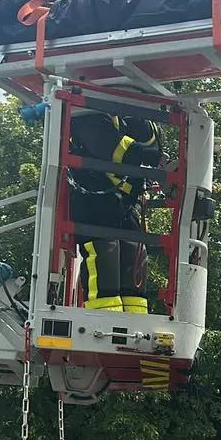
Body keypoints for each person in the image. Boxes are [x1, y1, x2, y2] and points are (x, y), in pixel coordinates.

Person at [67, 111, 164, 314]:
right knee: (104, 253)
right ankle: (103, 316)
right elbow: (111, 147)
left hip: (123, 202)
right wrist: (154, 159)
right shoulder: (85, 114)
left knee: (134, 252)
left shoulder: (124, 115)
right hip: (94, 199)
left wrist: (138, 116)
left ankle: (134, 317)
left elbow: (149, 141)